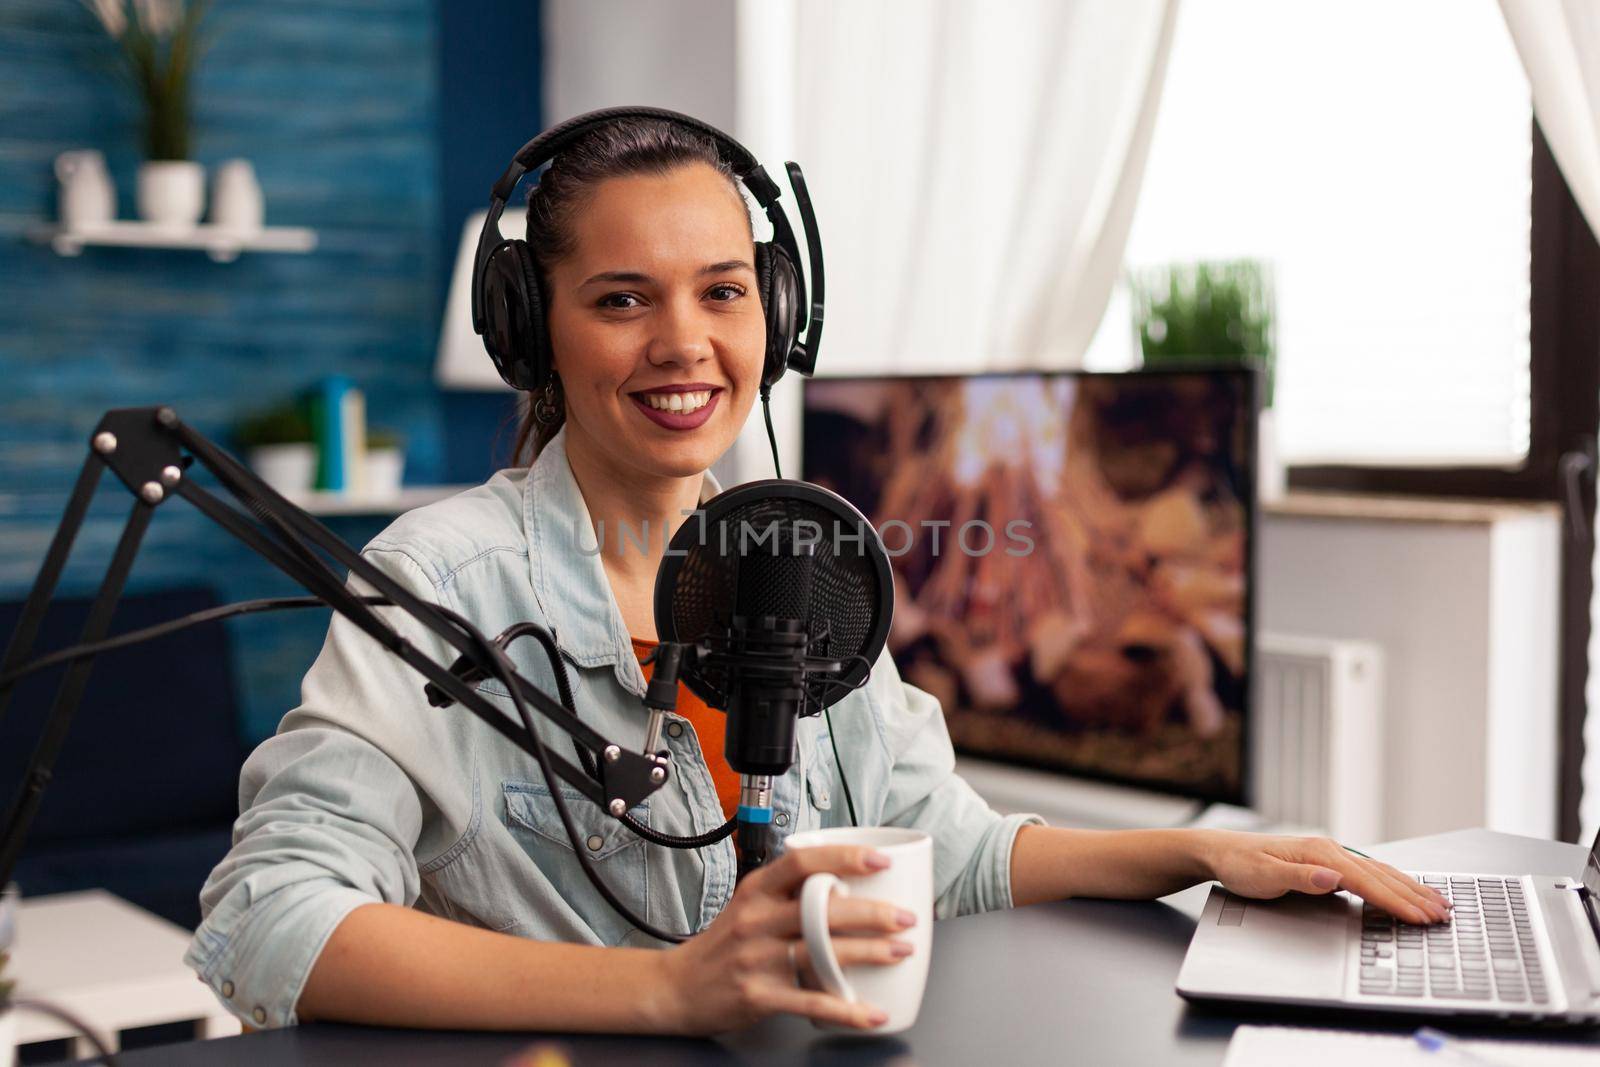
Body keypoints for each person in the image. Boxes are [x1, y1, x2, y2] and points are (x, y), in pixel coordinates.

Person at [185, 115, 1451, 1037]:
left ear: (775, 318)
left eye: (722, 291)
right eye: (622, 298)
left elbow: (944, 848)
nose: (684, 341)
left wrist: (1196, 849)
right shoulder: (443, 578)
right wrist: (667, 990)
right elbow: (267, 917)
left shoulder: (799, 553)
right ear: (532, 328)